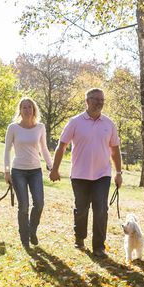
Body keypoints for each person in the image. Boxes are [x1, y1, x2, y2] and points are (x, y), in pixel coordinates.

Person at [49, 88, 122, 258]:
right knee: (81, 209)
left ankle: (98, 247)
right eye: (96, 99)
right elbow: (62, 146)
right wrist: (55, 169)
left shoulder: (109, 124)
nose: (100, 102)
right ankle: (79, 237)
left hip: (102, 175)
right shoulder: (75, 122)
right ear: (87, 101)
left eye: (102, 99)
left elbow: (115, 149)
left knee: (101, 209)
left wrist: (118, 172)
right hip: (80, 174)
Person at [3, 97, 52, 250]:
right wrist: (6, 170)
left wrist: (51, 167)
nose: (27, 109)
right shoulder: (13, 128)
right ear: (20, 110)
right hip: (18, 171)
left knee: (39, 203)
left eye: (29, 107)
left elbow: (44, 149)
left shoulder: (40, 127)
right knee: (23, 205)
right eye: (24, 107)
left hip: (35, 171)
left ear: (34, 109)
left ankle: (32, 231)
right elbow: (7, 150)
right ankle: (24, 237)